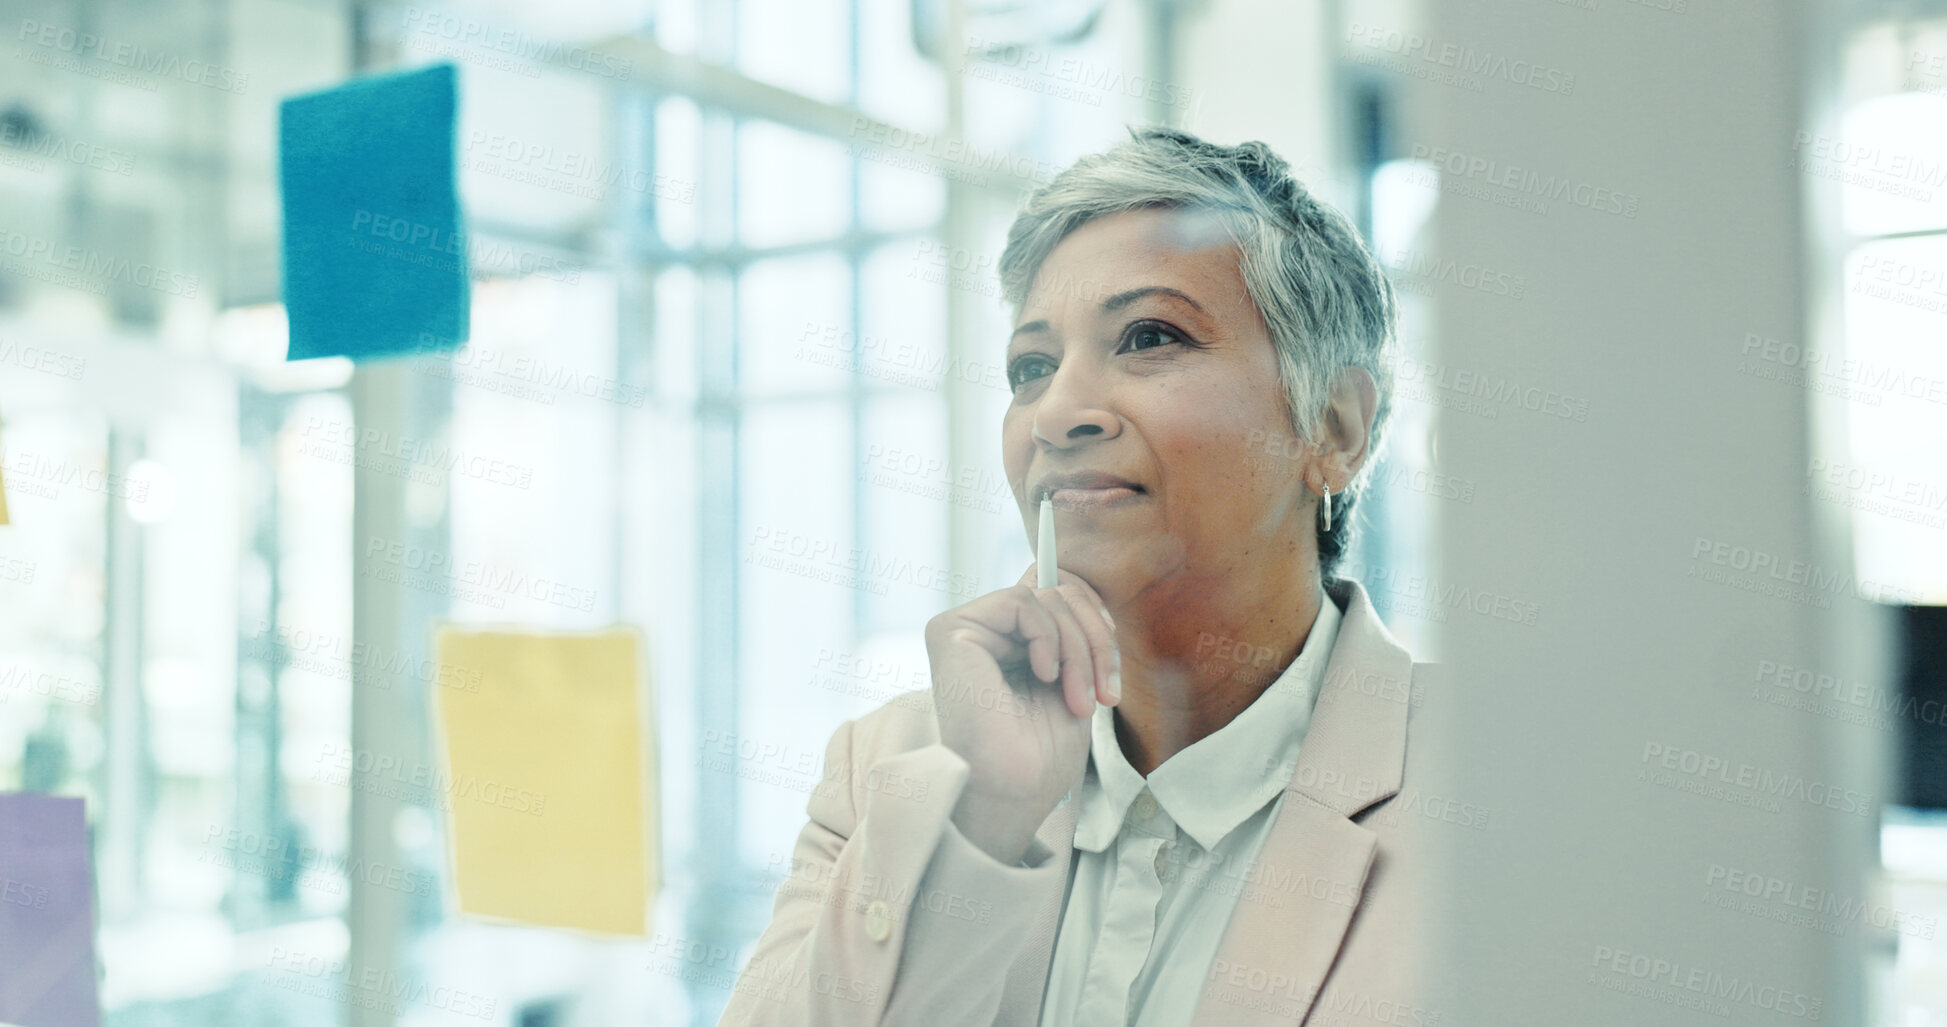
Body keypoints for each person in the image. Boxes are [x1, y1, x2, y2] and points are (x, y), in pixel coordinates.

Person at [719, 127, 1441, 1027]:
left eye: (1148, 337)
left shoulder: (1503, 790)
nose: (1056, 411)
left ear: (1332, 428)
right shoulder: (891, 767)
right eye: (1031, 366)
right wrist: (983, 819)